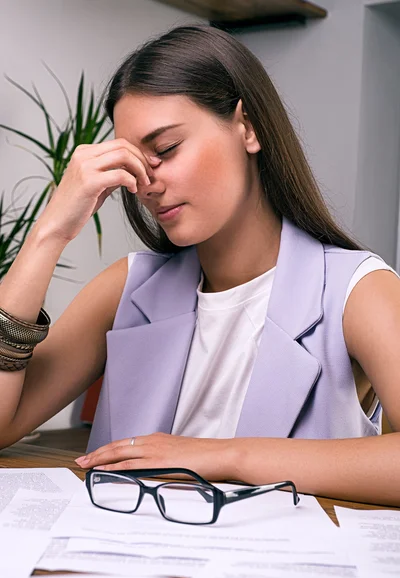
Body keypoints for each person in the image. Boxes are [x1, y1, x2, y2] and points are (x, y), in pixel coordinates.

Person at [1, 24, 399, 506]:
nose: (146, 182)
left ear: (247, 126)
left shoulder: (357, 290)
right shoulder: (127, 288)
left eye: (166, 149)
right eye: (132, 163)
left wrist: (223, 457)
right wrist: (49, 234)